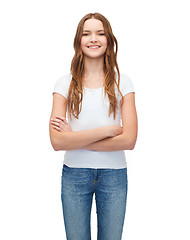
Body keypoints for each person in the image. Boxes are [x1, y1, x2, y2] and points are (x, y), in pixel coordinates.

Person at [49, 12, 138, 240]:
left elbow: (129, 140)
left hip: (114, 175)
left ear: (108, 39)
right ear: (79, 40)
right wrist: (107, 131)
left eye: (100, 33)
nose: (93, 39)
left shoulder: (122, 82)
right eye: (86, 33)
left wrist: (76, 138)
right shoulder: (64, 83)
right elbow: (58, 142)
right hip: (75, 175)